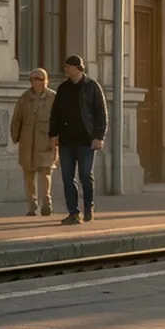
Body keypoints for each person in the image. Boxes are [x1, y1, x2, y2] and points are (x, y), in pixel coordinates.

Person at [50, 55, 108, 224]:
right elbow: (56, 114)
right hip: (67, 141)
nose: (65, 70)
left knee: (85, 174)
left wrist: (99, 136)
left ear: (77, 68)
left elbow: (101, 114)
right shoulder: (63, 88)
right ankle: (73, 212)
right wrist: (54, 134)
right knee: (67, 177)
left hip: (86, 141)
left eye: (68, 67)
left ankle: (88, 205)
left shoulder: (92, 87)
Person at [9, 68, 58, 216]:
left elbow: (59, 119)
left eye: (40, 79)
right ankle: (32, 205)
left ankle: (46, 203)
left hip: (46, 141)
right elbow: (17, 118)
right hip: (27, 142)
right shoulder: (25, 98)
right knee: (29, 174)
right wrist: (15, 136)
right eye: (34, 79)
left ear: (46, 81)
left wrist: (56, 138)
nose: (37, 82)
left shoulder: (53, 98)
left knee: (45, 172)